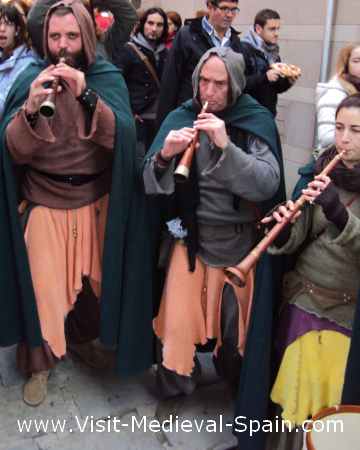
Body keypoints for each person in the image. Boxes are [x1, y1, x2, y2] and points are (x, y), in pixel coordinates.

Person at [0, 0, 155, 407]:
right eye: (55, 36)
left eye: (71, 36)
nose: (63, 46)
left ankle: (82, 341)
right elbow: (12, 152)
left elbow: (122, 139)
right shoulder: (31, 76)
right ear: (44, 38)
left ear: (85, 36)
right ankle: (39, 363)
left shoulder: (104, 77)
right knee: (43, 290)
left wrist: (87, 97)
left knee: (93, 285)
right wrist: (30, 111)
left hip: (95, 200)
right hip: (45, 201)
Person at [143, 48, 286, 413]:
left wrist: (225, 146)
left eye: (219, 84)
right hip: (190, 239)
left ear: (235, 84)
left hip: (239, 245)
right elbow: (148, 182)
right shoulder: (181, 115)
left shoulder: (253, 120)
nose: (208, 91)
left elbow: (268, 184)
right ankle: (176, 379)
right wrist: (163, 156)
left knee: (237, 332)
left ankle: (237, 383)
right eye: (203, 81)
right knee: (176, 326)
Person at [262, 93, 360, 450]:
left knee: (328, 407)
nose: (344, 138)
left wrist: (340, 215)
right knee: (291, 397)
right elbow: (299, 238)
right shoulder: (321, 167)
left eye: (355, 130)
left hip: (345, 318)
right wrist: (284, 229)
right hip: (303, 302)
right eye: (339, 127)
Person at [156, 0, 243, 126]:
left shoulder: (235, 42)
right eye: (224, 9)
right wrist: (164, 125)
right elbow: (170, 83)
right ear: (210, 6)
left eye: (234, 10)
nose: (229, 15)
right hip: (189, 119)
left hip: (222, 121)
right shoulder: (186, 36)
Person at [114, 7, 168, 158]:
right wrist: (130, 112)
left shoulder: (166, 52)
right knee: (137, 163)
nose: (154, 28)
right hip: (138, 117)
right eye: (150, 23)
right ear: (142, 24)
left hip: (159, 118)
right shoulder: (129, 50)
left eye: (159, 25)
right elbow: (117, 84)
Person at [26, 0, 138, 61]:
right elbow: (34, 20)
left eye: (82, 14)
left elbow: (129, 16)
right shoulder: (55, 46)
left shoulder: (106, 44)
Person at [241, 9, 297, 116]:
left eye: (278, 29)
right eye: (272, 29)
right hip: (247, 116)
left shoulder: (274, 53)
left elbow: (275, 88)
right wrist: (265, 77)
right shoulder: (243, 49)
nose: (276, 34)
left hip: (267, 115)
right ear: (258, 29)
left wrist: (288, 82)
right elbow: (238, 85)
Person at [316, 43, 360, 151]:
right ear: (346, 65)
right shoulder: (335, 93)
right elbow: (326, 137)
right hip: (335, 161)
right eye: (357, 61)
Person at [0, 0, 36, 119]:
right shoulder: (3, 55)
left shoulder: (26, 63)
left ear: (17, 30)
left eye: (8, 24)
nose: (2, 29)